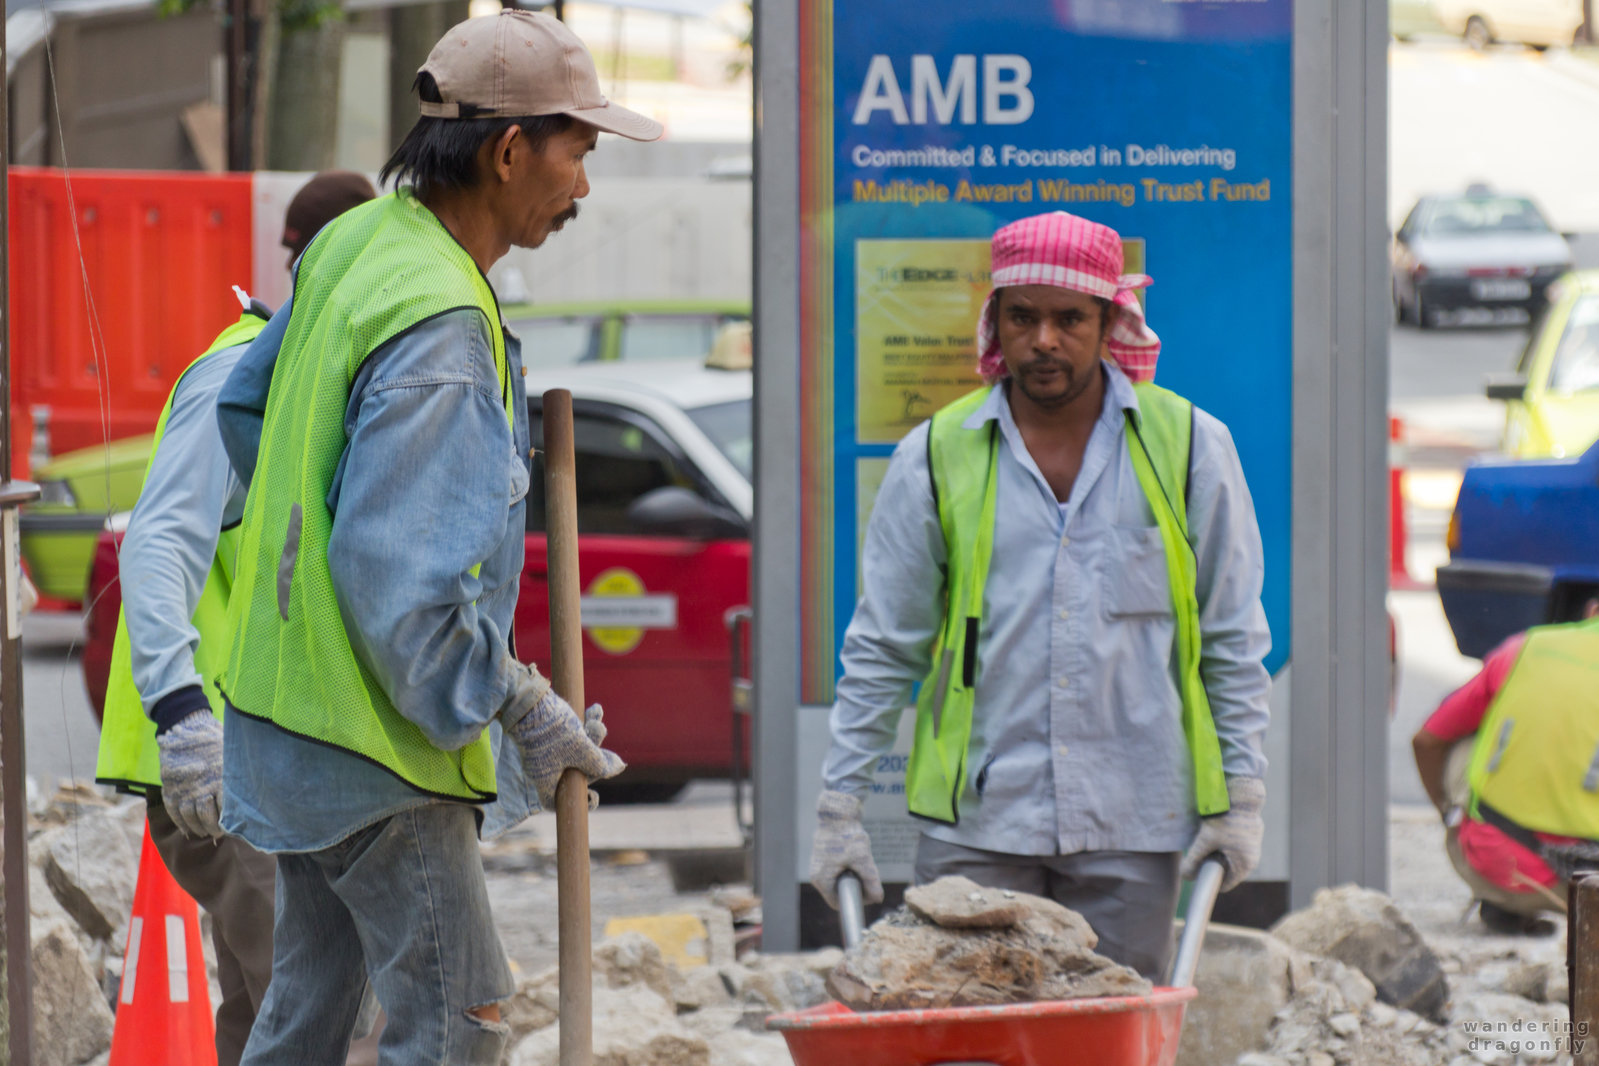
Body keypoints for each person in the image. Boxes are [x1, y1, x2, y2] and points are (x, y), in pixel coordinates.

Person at [210, 12, 660, 1064]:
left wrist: (302, 581)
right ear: (510, 149)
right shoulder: (441, 325)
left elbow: (247, 412)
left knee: (306, 1017)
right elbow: (404, 594)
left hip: (288, 721)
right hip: (375, 749)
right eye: (578, 152)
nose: (584, 187)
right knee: (462, 1020)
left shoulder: (357, 241)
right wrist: (518, 699)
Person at [809, 211, 1273, 981]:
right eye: (1022, 317)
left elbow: (1229, 637)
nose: (1044, 340)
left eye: (1069, 319)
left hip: (1135, 819)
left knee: (1111, 1042)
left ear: (1109, 320)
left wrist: (1242, 795)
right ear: (997, 320)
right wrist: (838, 810)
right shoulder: (934, 452)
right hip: (978, 827)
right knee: (969, 1048)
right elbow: (884, 645)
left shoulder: (1189, 445)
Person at [93, 170, 376, 1066]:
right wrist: (182, 721)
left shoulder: (297, 372)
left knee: (270, 1012)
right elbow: (156, 545)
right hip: (221, 754)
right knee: (324, 1009)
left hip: (260, 755)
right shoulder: (238, 373)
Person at [1411, 600, 1599, 937]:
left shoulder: (1527, 648)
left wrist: (1445, 812)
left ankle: (1502, 898)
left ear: (1592, 611)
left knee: (1465, 738)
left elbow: (1426, 741)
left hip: (1504, 867)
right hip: (1593, 888)